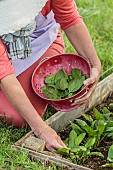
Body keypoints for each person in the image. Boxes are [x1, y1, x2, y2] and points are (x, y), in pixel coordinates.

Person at [0, 0, 101, 152]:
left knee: (15, 117)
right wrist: (42, 129)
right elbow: (4, 72)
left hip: (38, 41)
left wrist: (95, 64)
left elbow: (70, 18)